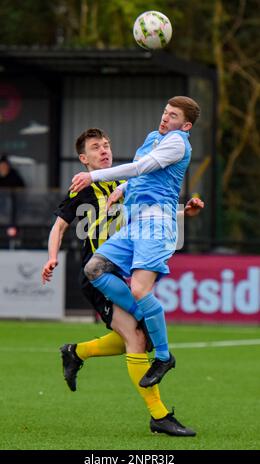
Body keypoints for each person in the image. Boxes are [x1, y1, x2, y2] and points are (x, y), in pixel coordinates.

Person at [42, 127, 203, 437]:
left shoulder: (129, 182)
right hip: (99, 276)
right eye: (95, 147)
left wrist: (185, 212)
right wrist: (51, 257)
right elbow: (59, 227)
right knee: (136, 338)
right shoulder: (85, 188)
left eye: (106, 144)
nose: (103, 150)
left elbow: (154, 216)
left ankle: (76, 352)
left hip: (123, 273)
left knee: (138, 334)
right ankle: (159, 416)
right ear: (83, 158)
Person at [69, 96, 201, 389]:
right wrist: (125, 188)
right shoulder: (155, 137)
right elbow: (144, 172)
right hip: (135, 223)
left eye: (174, 116)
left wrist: (94, 176)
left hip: (156, 224)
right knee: (95, 269)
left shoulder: (178, 142)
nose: (166, 118)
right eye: (165, 112)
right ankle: (147, 322)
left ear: (186, 124)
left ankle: (164, 356)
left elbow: (142, 167)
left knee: (140, 289)